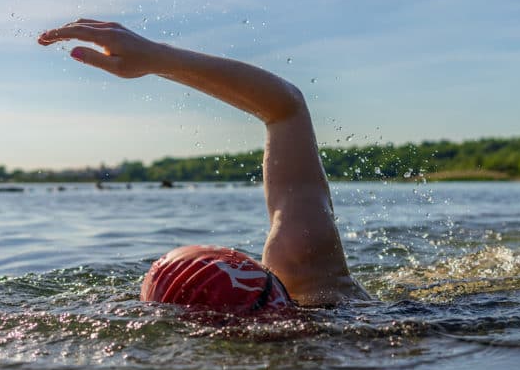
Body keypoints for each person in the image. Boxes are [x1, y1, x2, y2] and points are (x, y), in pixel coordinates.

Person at [38, 19, 370, 312]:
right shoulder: (313, 279)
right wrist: (157, 57)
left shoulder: (312, 282)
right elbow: (286, 109)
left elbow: (286, 111)